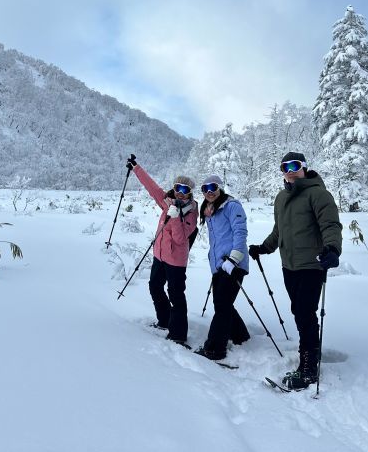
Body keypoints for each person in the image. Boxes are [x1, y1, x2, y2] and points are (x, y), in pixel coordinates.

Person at [249, 152, 342, 390]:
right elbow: (278, 231)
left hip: (312, 264)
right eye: (285, 167)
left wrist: (332, 248)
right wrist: (264, 248)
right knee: (299, 312)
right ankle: (310, 355)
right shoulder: (281, 198)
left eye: (294, 166)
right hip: (289, 265)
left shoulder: (318, 194)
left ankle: (308, 368)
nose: (290, 171)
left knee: (304, 313)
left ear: (304, 168)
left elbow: (330, 224)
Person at [127, 156, 198, 345]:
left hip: (176, 261)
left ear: (190, 193)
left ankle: (178, 334)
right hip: (159, 255)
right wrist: (136, 168)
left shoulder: (192, 212)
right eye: (178, 188)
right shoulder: (167, 202)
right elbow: (152, 188)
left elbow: (180, 239)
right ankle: (165, 320)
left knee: (176, 295)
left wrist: (175, 217)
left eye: (185, 190)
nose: (180, 193)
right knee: (155, 287)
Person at [194, 175, 251, 361]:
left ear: (220, 188)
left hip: (234, 264)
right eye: (205, 189)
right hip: (219, 264)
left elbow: (240, 233)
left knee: (222, 305)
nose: (209, 192)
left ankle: (215, 349)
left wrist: (233, 260)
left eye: (213, 187)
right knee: (221, 303)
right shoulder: (210, 210)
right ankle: (240, 335)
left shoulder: (232, 206)